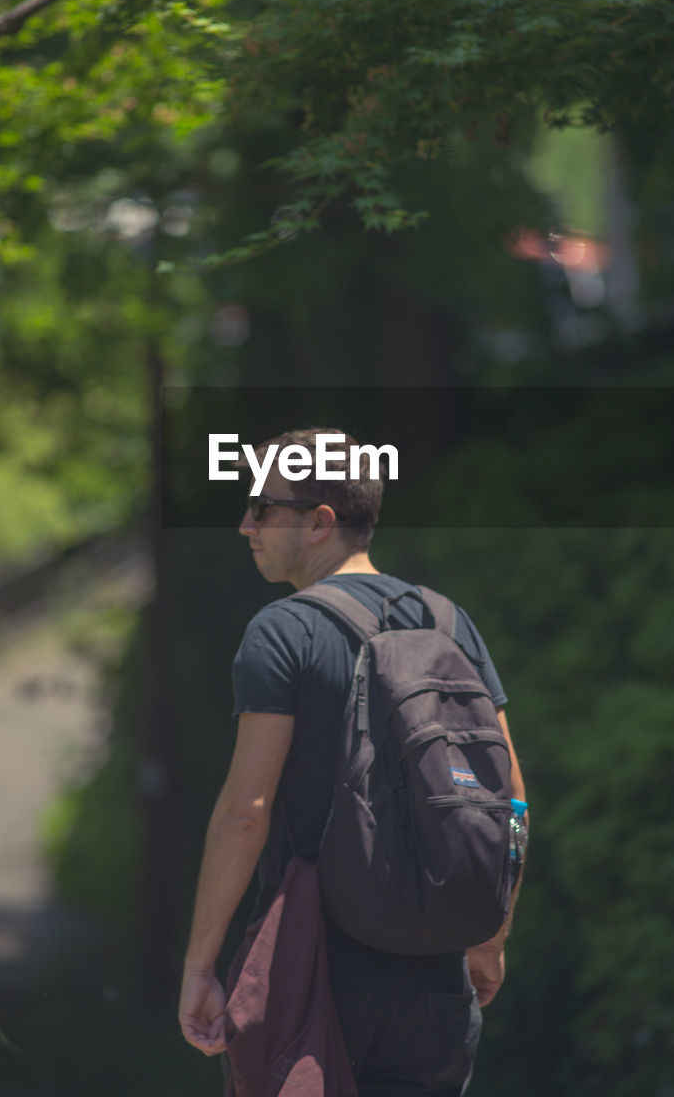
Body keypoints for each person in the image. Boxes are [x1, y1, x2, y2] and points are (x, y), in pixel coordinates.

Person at [178, 428, 527, 1095]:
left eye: (263, 506)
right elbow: (510, 798)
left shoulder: (282, 631)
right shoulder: (449, 623)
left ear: (320, 523)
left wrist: (201, 964)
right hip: (436, 981)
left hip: (310, 971)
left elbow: (245, 814)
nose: (245, 524)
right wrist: (489, 932)